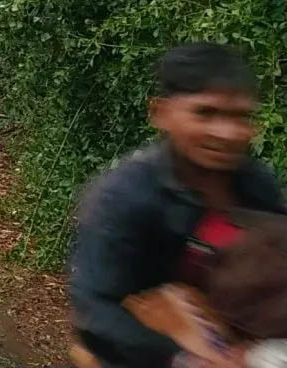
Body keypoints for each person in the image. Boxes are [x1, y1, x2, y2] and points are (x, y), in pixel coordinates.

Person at [69, 42, 285, 368]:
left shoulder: (256, 184)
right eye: (205, 112)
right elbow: (94, 312)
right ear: (160, 112)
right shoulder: (125, 195)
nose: (227, 133)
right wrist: (183, 358)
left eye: (241, 116)